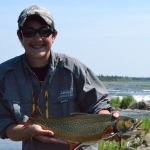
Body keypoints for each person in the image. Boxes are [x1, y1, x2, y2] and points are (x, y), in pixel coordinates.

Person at [0, 5, 120, 150]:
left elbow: (99, 106)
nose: (38, 38)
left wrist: (111, 124)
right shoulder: (5, 75)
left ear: (54, 35)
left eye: (44, 31)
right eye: (29, 32)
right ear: (20, 36)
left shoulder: (74, 69)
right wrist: (29, 131)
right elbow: (6, 126)